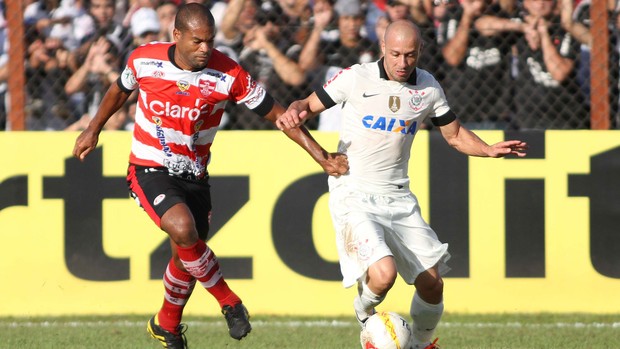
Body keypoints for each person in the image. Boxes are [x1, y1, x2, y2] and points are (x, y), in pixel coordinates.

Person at [72, 3, 348, 349]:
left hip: (195, 176)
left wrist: (321, 156)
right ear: (177, 36)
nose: (206, 49)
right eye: (198, 41)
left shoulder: (229, 74)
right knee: (184, 230)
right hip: (148, 167)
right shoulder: (144, 59)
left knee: (185, 255)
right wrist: (93, 129)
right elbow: (119, 90)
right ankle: (229, 302)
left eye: (211, 41)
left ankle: (166, 325)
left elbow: (279, 116)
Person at [276, 20, 527, 349]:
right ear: (382, 48)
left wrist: (487, 149)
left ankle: (421, 344)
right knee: (384, 274)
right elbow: (305, 105)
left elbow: (454, 135)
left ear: (420, 52)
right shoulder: (356, 77)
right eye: (395, 54)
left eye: (410, 55)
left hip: (397, 196)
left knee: (432, 284)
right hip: (353, 191)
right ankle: (363, 313)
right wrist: (295, 113)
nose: (402, 62)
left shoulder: (428, 87)